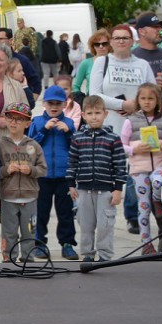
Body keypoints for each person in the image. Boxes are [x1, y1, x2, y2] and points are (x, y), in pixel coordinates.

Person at [68, 96, 128, 263]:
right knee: (85, 224)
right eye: (90, 113)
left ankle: (105, 255)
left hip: (106, 190)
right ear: (83, 115)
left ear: (105, 113)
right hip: (83, 189)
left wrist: (118, 189)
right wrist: (71, 184)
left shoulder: (113, 138)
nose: (94, 117)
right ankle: (87, 253)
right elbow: (72, 162)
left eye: (97, 113)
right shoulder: (77, 138)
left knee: (105, 225)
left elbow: (120, 165)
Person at [118, 82, 162, 254]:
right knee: (143, 206)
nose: (147, 102)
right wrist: (134, 149)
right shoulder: (131, 121)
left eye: (151, 98)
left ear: (158, 101)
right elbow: (120, 146)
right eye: (143, 98)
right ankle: (146, 243)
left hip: (159, 166)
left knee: (158, 183)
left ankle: (157, 200)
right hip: (139, 170)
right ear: (138, 100)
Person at [29, 84, 78, 260]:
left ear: (65, 104)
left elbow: (76, 147)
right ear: (44, 103)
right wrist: (45, 129)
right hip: (42, 176)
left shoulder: (70, 123)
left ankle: (67, 244)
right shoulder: (37, 122)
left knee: (65, 212)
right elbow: (31, 145)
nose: (54, 107)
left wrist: (68, 132)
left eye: (58, 103)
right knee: (40, 211)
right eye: (50, 103)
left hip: (64, 176)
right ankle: (38, 243)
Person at [0, 102, 45, 262]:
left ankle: (28, 260)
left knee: (29, 231)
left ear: (28, 123)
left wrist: (31, 170)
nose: (14, 122)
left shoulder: (34, 146)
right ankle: (8, 260)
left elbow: (43, 169)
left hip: (30, 198)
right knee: (9, 232)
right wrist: (5, 170)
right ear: (5, 119)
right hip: (8, 198)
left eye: (19, 119)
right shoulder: (0, 145)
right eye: (10, 118)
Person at [0, 27, 41, 102]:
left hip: (18, 107)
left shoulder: (22, 60)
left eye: (1, 39)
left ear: (10, 41)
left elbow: (36, 82)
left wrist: (31, 102)